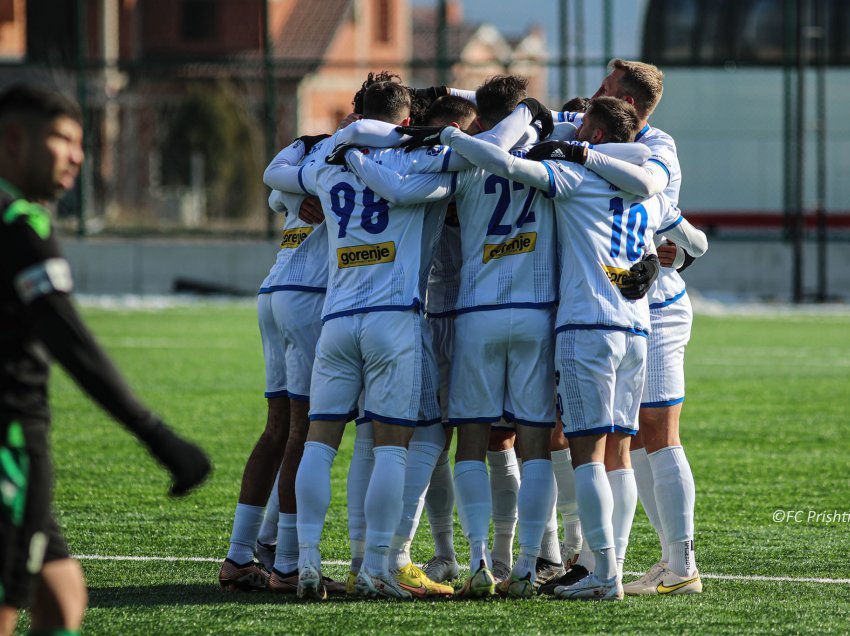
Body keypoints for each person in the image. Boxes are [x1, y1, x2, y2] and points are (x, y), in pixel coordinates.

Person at [411, 95, 707, 600]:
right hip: (636, 327)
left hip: (577, 323)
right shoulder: (652, 191)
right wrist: (662, 263)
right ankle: (557, 561)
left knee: (580, 453)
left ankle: (594, 571)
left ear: (590, 137)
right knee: (616, 453)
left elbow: (502, 162)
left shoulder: (569, 179)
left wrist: (454, 136)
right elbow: (695, 243)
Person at [0, 84, 210, 636]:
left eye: (80, 142)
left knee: (63, 594)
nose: (77, 156)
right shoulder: (21, 228)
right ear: (15, 140)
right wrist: (156, 435)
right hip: (9, 444)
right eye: (63, 139)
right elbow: (71, 344)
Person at [552, 59, 703, 595]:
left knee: (657, 436)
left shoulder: (655, 147)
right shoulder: (585, 128)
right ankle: (596, 559)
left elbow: (676, 218)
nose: (594, 93)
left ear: (631, 105)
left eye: (606, 88)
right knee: (620, 441)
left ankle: (681, 564)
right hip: (614, 308)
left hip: (654, 308)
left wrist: (675, 258)